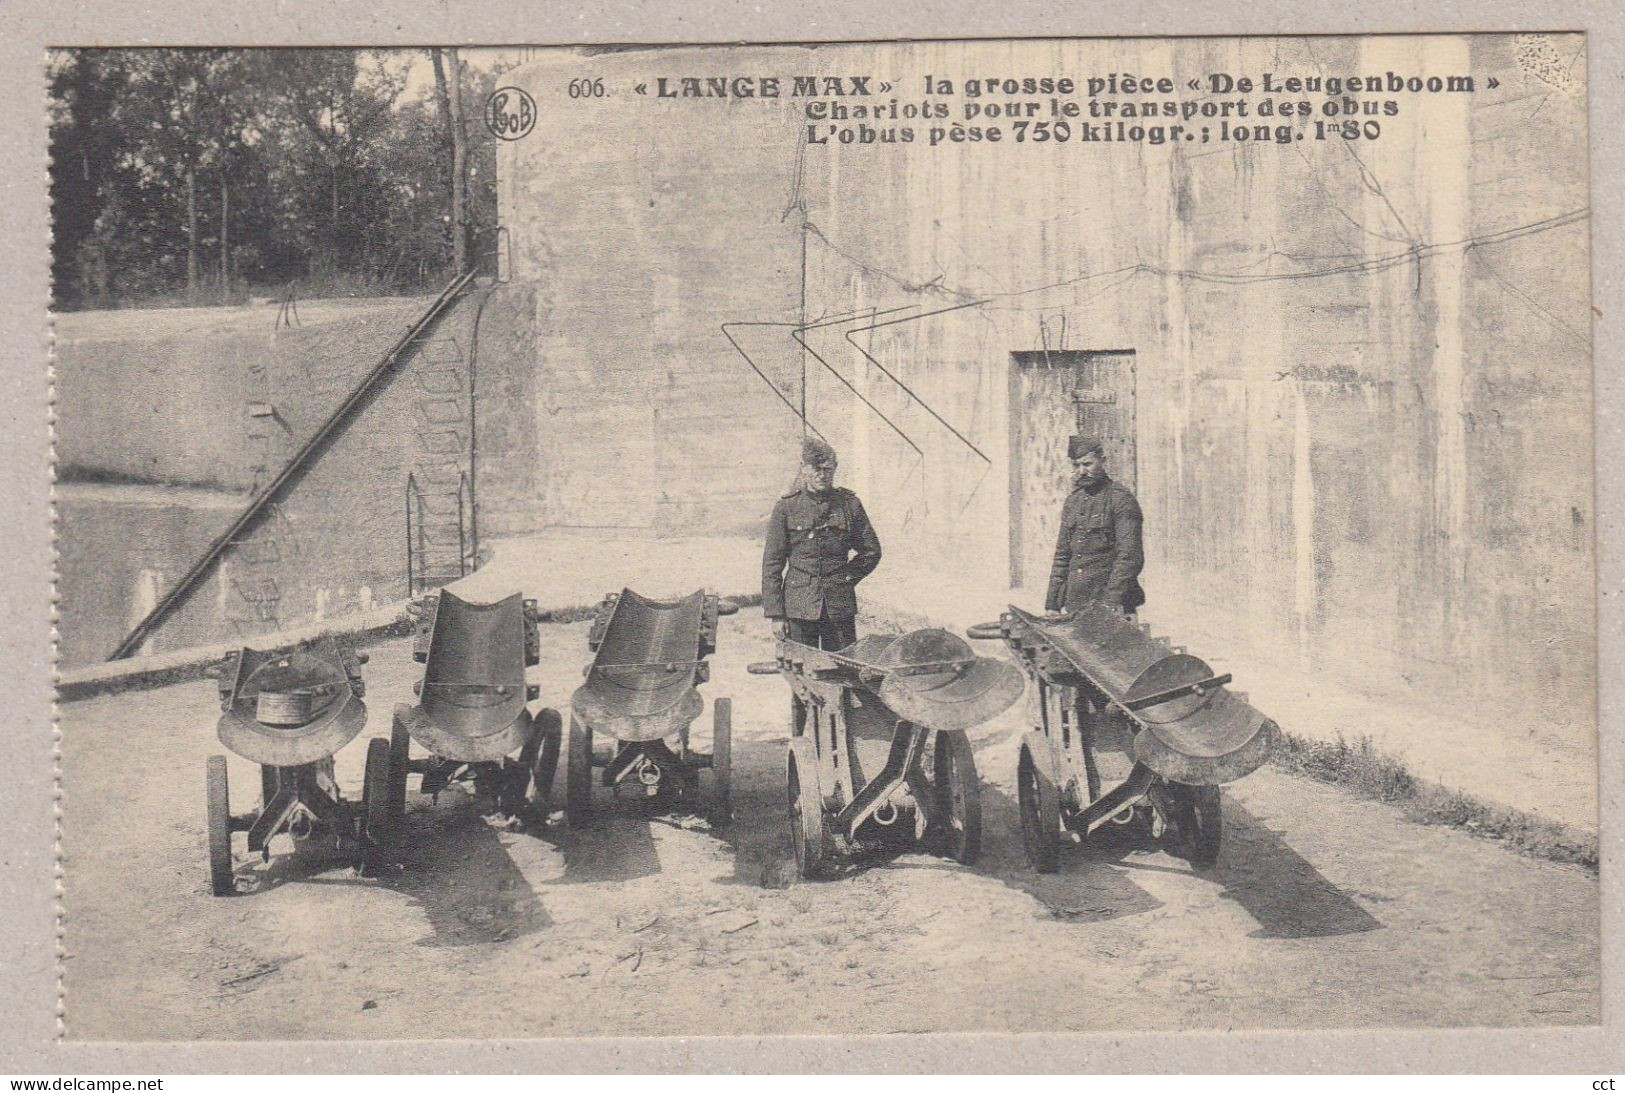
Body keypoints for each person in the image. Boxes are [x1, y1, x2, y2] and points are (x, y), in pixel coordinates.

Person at [762, 437, 882, 650]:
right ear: (803, 468)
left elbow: (871, 551)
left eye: (828, 469)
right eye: (816, 469)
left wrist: (846, 578)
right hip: (798, 606)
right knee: (802, 669)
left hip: (838, 606)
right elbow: (772, 563)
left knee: (843, 668)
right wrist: (776, 615)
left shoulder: (848, 504)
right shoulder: (787, 507)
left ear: (835, 469)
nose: (822, 475)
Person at [1045, 435, 1145, 616]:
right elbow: (1062, 555)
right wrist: (1053, 604)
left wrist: (1110, 603)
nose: (1081, 471)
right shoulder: (1073, 502)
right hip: (1076, 602)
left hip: (1112, 604)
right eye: (1076, 465)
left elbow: (1129, 557)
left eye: (1087, 464)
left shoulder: (1121, 500)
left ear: (1103, 461)